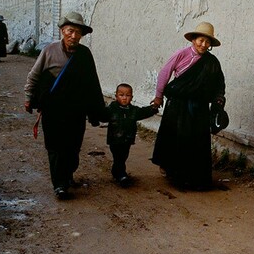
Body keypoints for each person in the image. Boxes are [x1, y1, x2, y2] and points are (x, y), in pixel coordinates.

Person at [23, 11, 106, 199]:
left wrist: (97, 111)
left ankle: (68, 174)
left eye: (78, 32)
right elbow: (33, 76)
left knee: (73, 147)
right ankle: (59, 184)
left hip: (76, 110)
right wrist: (29, 98)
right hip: (53, 109)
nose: (74, 36)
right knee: (55, 147)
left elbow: (92, 84)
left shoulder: (84, 55)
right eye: (70, 31)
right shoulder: (49, 51)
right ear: (62, 31)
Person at [150, 21, 226, 191]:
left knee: (196, 141)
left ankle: (194, 177)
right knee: (176, 137)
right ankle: (174, 173)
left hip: (198, 108)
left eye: (207, 42)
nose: (203, 44)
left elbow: (219, 83)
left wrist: (218, 101)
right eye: (200, 40)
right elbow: (165, 73)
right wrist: (158, 97)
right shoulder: (181, 54)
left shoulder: (212, 62)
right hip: (178, 105)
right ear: (193, 40)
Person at [104, 83, 158, 187]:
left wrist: (154, 108)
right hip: (115, 139)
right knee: (118, 157)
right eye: (121, 95)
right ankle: (121, 175)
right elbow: (102, 115)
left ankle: (116, 171)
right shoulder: (112, 109)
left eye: (127, 95)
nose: (124, 98)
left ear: (132, 97)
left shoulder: (133, 110)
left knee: (123, 156)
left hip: (127, 140)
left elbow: (143, 112)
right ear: (116, 96)